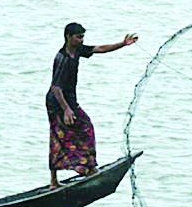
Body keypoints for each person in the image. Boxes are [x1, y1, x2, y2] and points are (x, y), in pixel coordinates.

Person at [47, 22, 138, 187]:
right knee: (57, 137)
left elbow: (100, 49)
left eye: (83, 37)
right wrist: (66, 110)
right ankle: (54, 182)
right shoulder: (62, 58)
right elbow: (55, 87)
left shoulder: (78, 50)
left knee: (85, 128)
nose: (81, 40)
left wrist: (123, 44)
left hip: (70, 101)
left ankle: (87, 167)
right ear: (68, 37)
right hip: (57, 103)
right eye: (78, 37)